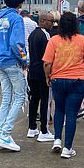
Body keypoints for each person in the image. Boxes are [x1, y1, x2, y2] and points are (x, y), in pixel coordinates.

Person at [43, 11, 84, 159]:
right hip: (78, 80)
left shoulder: (54, 40)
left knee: (59, 109)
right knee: (71, 114)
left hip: (58, 80)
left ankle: (57, 140)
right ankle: (68, 148)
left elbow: (47, 63)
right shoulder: (82, 40)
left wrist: (48, 77)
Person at [0, 0, 28, 152]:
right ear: (20, 3)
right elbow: (17, 43)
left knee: (6, 98)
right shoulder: (16, 19)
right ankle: (5, 134)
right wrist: (24, 59)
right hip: (12, 61)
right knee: (20, 96)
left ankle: (0, 134)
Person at [26, 11, 55, 142]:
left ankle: (32, 127)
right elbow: (47, 57)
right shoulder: (45, 35)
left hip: (32, 71)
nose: (52, 24)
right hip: (42, 72)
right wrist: (48, 74)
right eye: (50, 21)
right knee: (45, 101)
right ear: (43, 21)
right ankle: (44, 129)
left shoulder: (32, 34)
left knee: (33, 100)